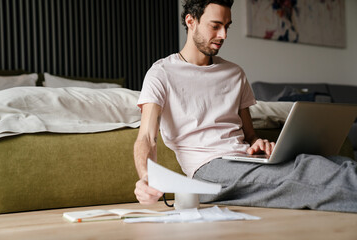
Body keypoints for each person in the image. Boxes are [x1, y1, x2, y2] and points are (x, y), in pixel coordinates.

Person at [133, 0, 357, 213]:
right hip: (209, 170)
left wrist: (258, 143)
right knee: (309, 171)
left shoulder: (235, 73)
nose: (223, 35)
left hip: (244, 160)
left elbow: (249, 134)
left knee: (338, 163)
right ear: (191, 21)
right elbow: (146, 137)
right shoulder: (161, 73)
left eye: (227, 27)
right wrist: (145, 176)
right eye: (216, 26)